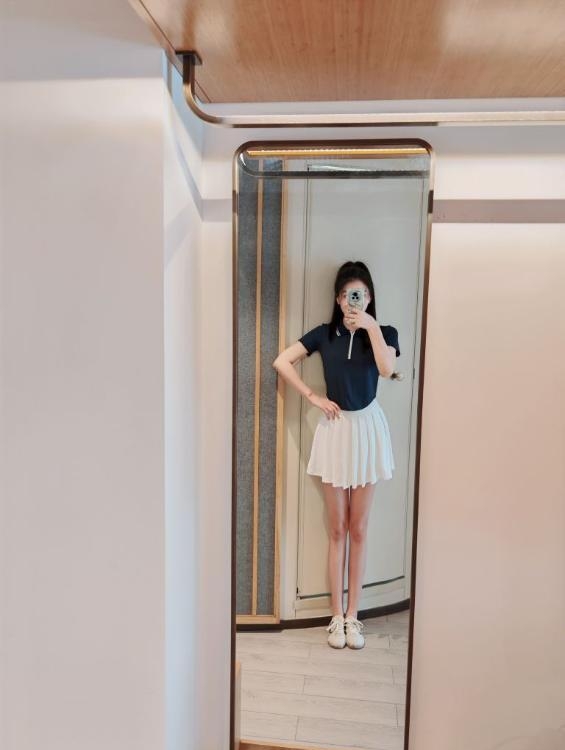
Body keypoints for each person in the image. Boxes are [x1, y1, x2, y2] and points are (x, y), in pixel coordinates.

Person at [273, 261, 400, 649]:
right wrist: (312, 397)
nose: (351, 301)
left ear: (369, 297)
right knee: (337, 528)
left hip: (368, 430)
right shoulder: (324, 335)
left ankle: (353, 616)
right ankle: (336, 617)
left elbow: (387, 368)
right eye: (345, 295)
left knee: (359, 528)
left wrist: (371, 326)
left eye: (357, 294)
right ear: (337, 298)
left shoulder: (384, 333)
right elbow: (282, 361)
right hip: (335, 429)